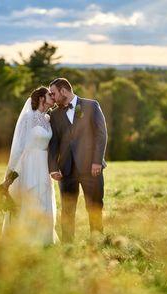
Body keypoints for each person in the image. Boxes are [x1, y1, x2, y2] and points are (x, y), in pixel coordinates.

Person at [48, 78, 107, 243]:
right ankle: (68, 246)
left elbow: (101, 135)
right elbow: (53, 143)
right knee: (67, 210)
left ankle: (97, 242)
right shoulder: (54, 114)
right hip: (66, 171)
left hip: (91, 168)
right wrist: (53, 167)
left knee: (94, 206)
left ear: (64, 91)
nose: (51, 97)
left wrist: (97, 161)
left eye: (53, 93)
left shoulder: (91, 106)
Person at [1, 87, 59, 245]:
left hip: (43, 163)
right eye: (49, 95)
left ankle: (43, 238)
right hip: (29, 163)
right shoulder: (28, 117)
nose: (53, 97)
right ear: (41, 98)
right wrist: (11, 171)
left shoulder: (47, 119)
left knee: (43, 197)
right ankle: (25, 239)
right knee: (30, 197)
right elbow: (19, 146)